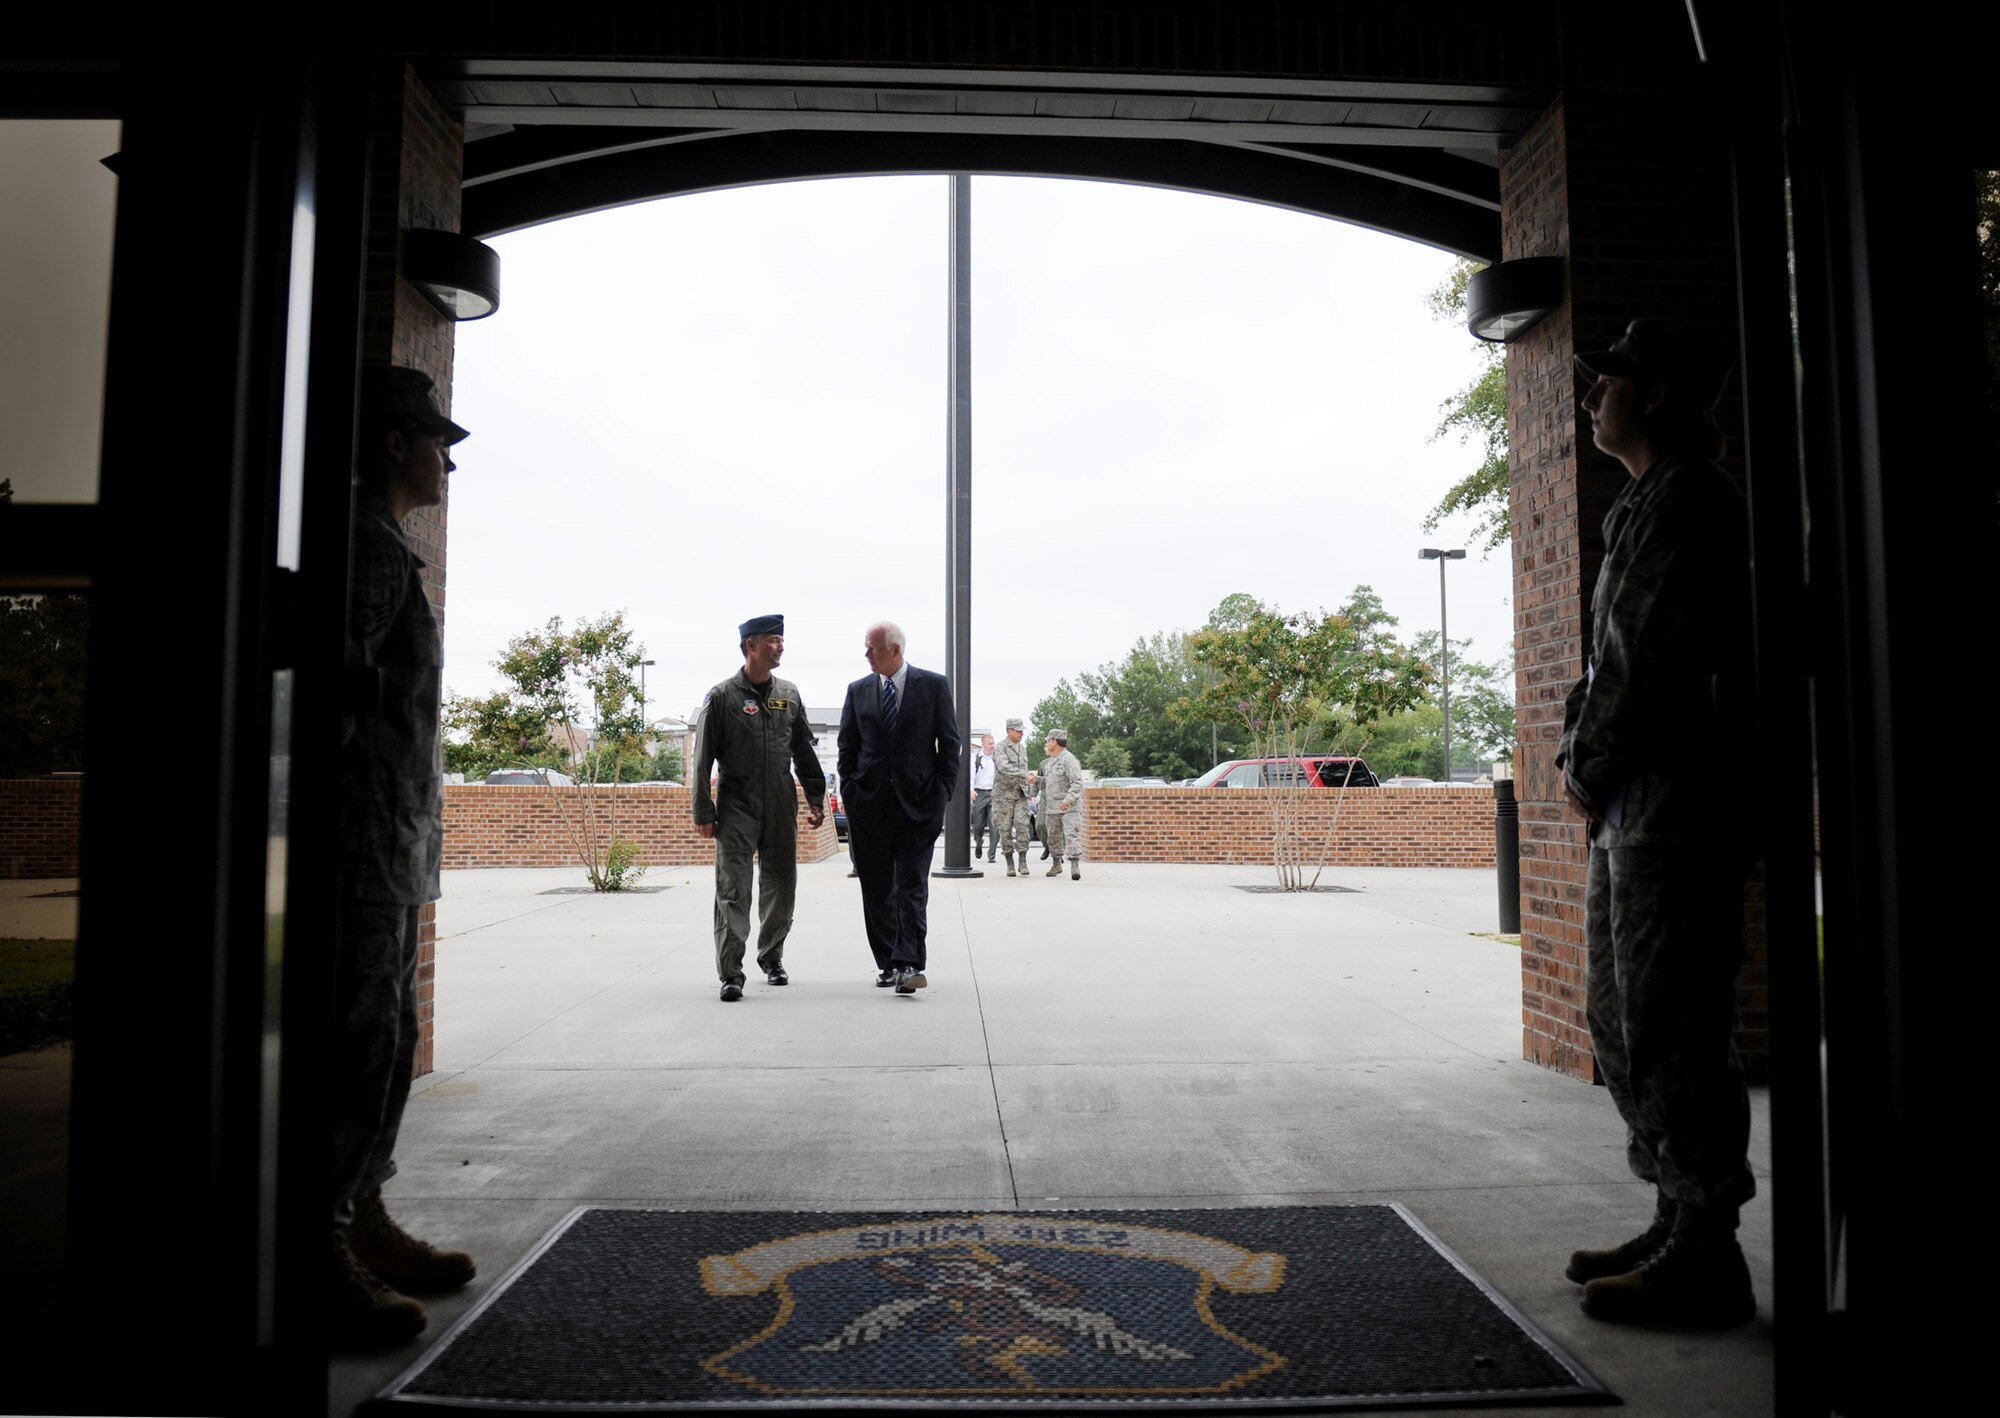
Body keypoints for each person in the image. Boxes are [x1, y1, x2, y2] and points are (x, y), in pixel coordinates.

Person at [1556, 319, 1758, 1327]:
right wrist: (1586, 753)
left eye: (1612, 383)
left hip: (1678, 803)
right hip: (1638, 803)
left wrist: (1583, 761)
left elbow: (1638, 658)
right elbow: (1605, 662)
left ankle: (1704, 1247)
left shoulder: (1685, 500)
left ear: (1662, 395)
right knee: (1619, 1016)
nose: (1593, 397)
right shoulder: (1643, 501)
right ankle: (1673, 1211)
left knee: (1671, 1023)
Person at [332, 364, 477, 1347]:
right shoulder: (369, 554)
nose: (446, 458)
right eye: (436, 441)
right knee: (359, 1040)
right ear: (395, 444)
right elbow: (333, 699)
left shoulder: (389, 549)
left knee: (388, 1033)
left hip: (391, 844)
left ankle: (362, 1212)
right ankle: (325, 1237)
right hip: (358, 849)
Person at [691, 614, 827, 1002]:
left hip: (781, 798)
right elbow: (701, 760)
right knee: (734, 888)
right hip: (737, 801)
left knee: (781, 883)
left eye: (781, 640)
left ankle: (772, 957)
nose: (780, 646)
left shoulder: (790, 694)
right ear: (750, 645)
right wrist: (703, 810)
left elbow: (803, 750)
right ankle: (731, 972)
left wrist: (815, 799)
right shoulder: (722, 697)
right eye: (772, 640)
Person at [837, 621, 962, 994]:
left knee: (911, 885)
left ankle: (909, 963)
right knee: (877, 889)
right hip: (869, 807)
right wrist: (851, 792)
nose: (866, 656)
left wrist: (942, 791)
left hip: (919, 805)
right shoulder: (857, 691)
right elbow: (847, 748)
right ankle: (888, 962)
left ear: (894, 650)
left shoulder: (933, 686)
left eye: (871, 649)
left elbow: (949, 742)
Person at [1038, 729, 1085, 879]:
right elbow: (1048, 782)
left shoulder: (1069, 760)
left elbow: (1077, 782)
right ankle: (1056, 863)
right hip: (1052, 808)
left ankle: (1074, 866)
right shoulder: (1051, 761)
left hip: (1068, 807)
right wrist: (1036, 780)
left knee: (1071, 835)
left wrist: (1068, 800)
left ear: (1054, 741)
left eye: (1048, 740)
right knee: (1053, 837)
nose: (1046, 743)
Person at [992, 718, 1035, 875]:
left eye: (1022, 730)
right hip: (1003, 795)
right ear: (1009, 731)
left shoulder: (1022, 748)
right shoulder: (1000, 747)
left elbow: (1025, 769)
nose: (1021, 733)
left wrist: (1030, 790)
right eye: (1018, 731)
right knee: (1005, 830)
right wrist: (1024, 774)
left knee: (1023, 826)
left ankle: (1022, 862)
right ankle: (1010, 863)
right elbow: (1003, 767)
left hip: (1020, 794)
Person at [969, 733, 996, 860]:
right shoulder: (975, 758)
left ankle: (992, 854)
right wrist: (971, 789)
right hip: (979, 793)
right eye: (990, 744)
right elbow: (971, 776)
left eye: (993, 743)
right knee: (978, 826)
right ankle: (979, 843)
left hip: (993, 794)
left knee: (994, 824)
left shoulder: (996, 759)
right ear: (983, 744)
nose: (992, 746)